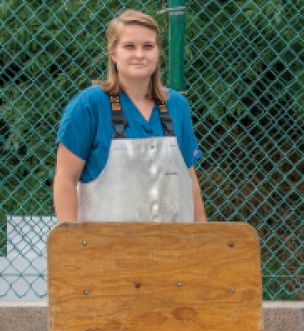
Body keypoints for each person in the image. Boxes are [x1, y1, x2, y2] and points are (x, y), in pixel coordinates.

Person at [53, 8, 205, 223]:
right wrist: (70, 244)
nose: (140, 55)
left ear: (158, 52)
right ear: (114, 53)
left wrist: (202, 237)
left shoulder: (176, 106)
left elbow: (190, 179)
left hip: (173, 248)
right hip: (105, 248)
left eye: (148, 46)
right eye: (129, 46)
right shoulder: (89, 105)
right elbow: (66, 179)